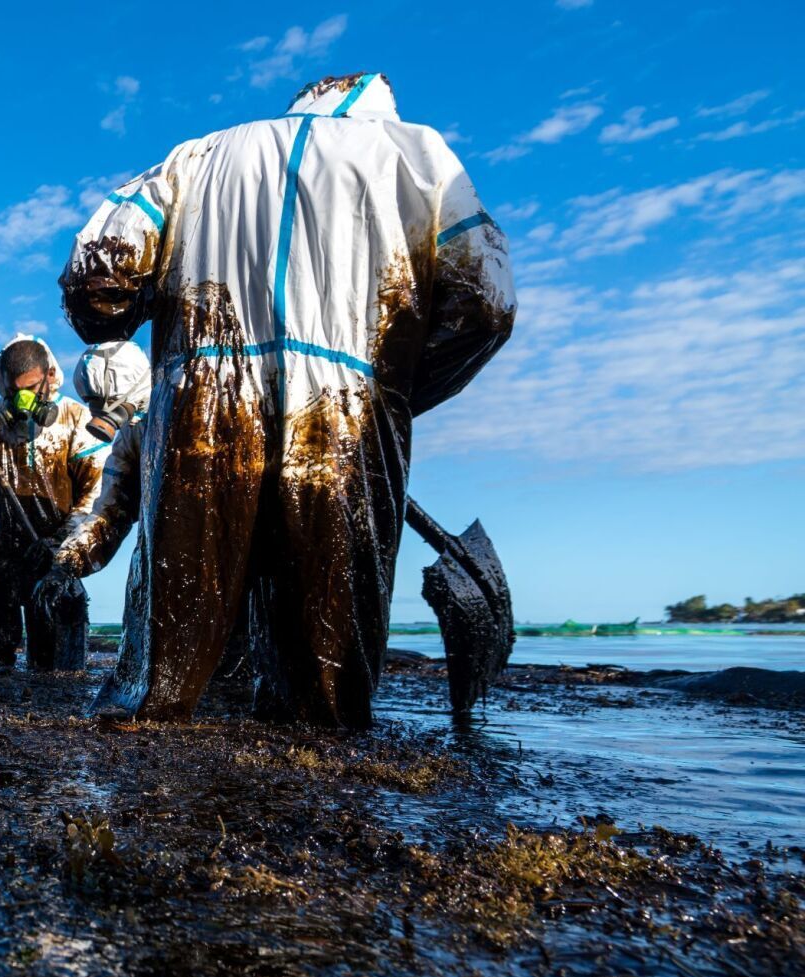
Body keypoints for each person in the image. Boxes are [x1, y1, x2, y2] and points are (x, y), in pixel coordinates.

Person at [45, 72, 515, 727]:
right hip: (344, 420)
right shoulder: (419, 157)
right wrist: (391, 393)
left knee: (159, 679)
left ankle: (139, 795)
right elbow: (487, 305)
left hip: (199, 411)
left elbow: (97, 278)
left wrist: (133, 326)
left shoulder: (197, 158)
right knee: (324, 686)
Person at [0, 336, 116, 672]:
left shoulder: (75, 421)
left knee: (59, 674)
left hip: (52, 559)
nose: (20, 400)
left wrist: (59, 548)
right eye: (11, 392)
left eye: (29, 389)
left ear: (49, 378)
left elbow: (95, 497)